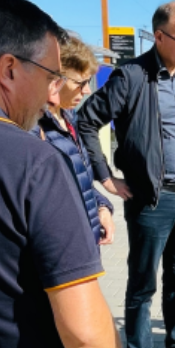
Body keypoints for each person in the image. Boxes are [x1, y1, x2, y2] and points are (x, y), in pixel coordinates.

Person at [0, 0, 128, 348]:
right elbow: (84, 329)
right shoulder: (29, 161)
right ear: (8, 69)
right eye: (49, 75)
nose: (54, 89)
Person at [78, 0, 175, 348]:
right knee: (142, 285)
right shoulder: (132, 76)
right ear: (159, 37)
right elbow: (85, 122)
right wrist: (106, 177)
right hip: (150, 201)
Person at [32, 36, 115, 246]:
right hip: (61, 246)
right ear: (55, 79)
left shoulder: (69, 118)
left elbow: (79, 179)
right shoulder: (33, 127)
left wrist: (102, 207)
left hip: (85, 238)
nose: (87, 90)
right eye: (81, 83)